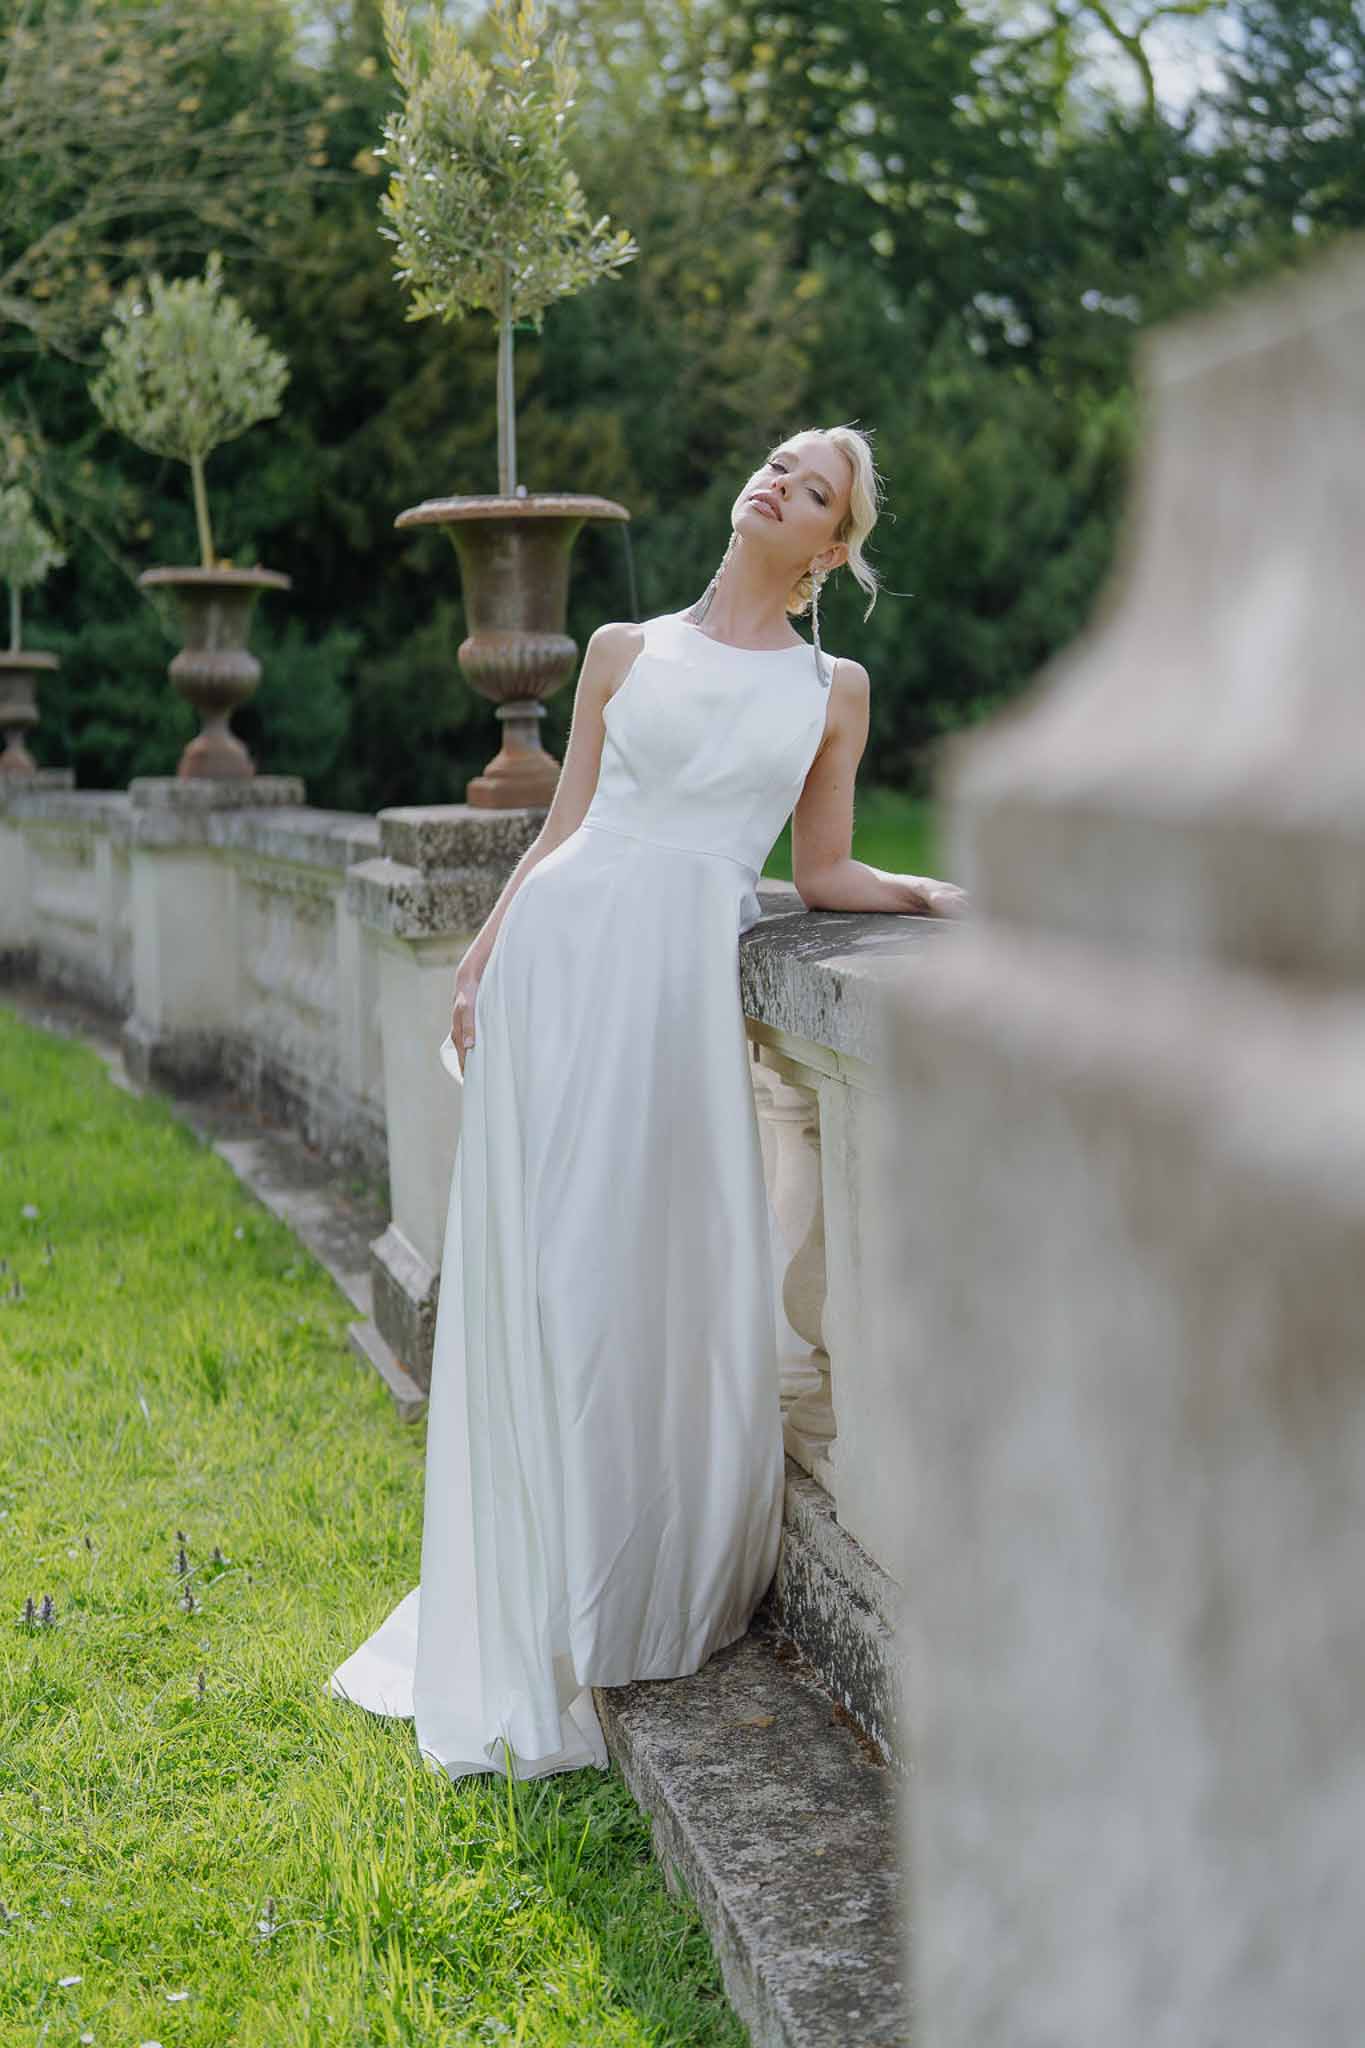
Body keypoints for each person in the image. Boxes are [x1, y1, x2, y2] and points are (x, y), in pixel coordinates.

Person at [327, 422, 967, 1780]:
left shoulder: (830, 686)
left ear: (830, 548)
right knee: (553, 1267)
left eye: (812, 488)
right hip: (563, 966)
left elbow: (828, 868)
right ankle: (539, 1580)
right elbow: (559, 834)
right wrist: (483, 962)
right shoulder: (622, 648)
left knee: (651, 1263)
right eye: (777, 463)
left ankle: (629, 1570)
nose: (775, 483)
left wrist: (925, 896)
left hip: (675, 995)